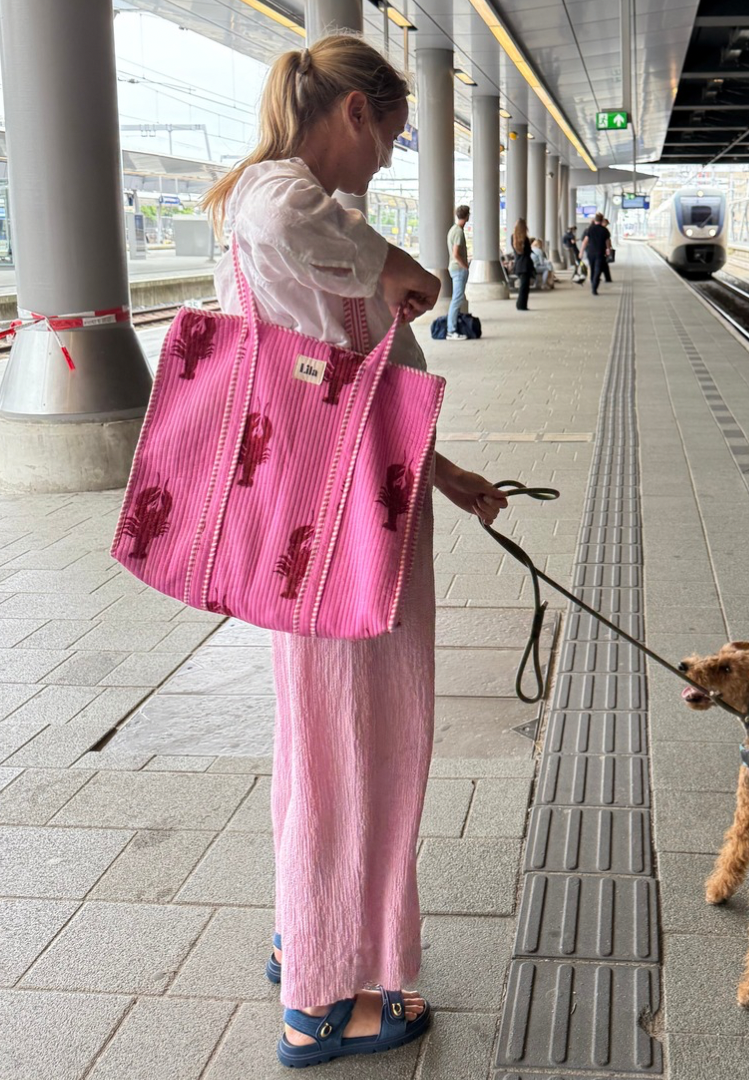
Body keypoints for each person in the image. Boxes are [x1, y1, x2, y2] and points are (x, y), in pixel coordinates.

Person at [202, 34, 508, 1069]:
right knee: (360, 747)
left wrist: (449, 476)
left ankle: (311, 941)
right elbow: (292, 230)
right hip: (342, 535)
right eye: (390, 135)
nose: (388, 159)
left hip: (344, 512)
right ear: (355, 115)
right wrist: (399, 269)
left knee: (331, 742)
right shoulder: (283, 200)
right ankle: (325, 1003)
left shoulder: (300, 214)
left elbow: (353, 392)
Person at [445, 203, 469, 340]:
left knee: (457, 298)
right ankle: (451, 330)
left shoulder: (452, 229)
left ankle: (453, 327)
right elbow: (456, 253)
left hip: (453, 268)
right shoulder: (459, 232)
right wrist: (465, 265)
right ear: (467, 216)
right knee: (457, 299)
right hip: (458, 269)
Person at [579, 212, 612, 295]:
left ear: (595, 220)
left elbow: (585, 241)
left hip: (590, 253)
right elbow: (607, 242)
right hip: (600, 253)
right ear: (602, 220)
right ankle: (594, 288)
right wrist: (608, 250)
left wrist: (581, 252)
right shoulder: (605, 230)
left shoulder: (590, 229)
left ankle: (592, 280)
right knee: (598, 270)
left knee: (593, 268)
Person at [510, 218, 535, 310]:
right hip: (526, 265)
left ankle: (520, 304)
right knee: (524, 287)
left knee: (522, 287)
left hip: (519, 264)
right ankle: (521, 305)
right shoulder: (525, 239)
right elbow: (527, 252)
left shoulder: (513, 238)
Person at [601, 216, 614, 282]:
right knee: (603, 264)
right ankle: (607, 278)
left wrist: (609, 247)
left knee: (603, 264)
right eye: (606, 223)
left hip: (602, 249)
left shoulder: (605, 230)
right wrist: (608, 248)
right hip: (602, 250)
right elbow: (607, 240)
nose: (606, 225)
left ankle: (607, 278)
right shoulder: (604, 230)